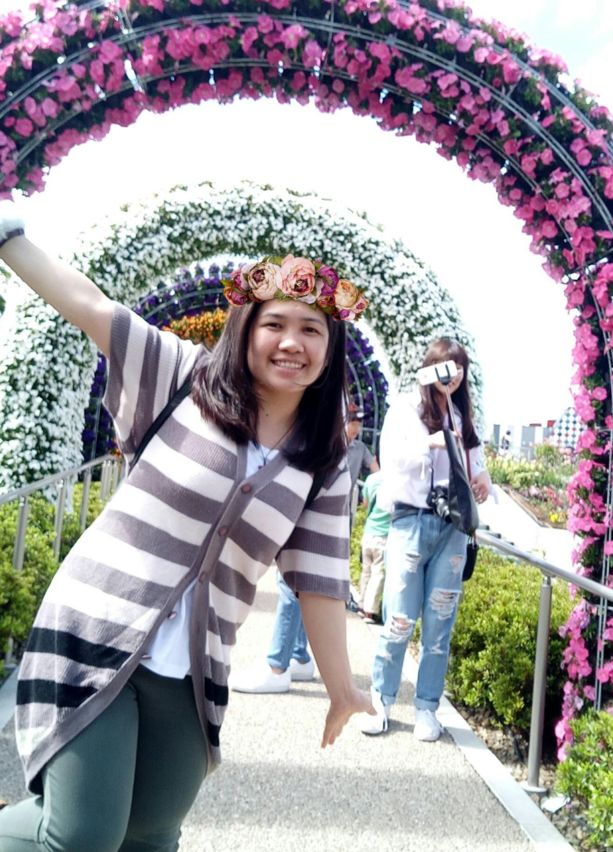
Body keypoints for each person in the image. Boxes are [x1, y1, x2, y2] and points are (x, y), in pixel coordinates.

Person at [0, 207, 373, 852]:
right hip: (95, 628)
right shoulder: (182, 378)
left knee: (149, 836)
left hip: (193, 668)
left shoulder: (324, 460)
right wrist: (9, 240)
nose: (292, 342)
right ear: (246, 330)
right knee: (84, 836)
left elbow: (319, 581)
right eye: (275, 324)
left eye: (311, 329)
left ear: (330, 348)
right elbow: (91, 306)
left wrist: (341, 689)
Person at [359, 337, 491, 742]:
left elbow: (476, 461)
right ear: (430, 368)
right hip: (411, 520)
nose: (453, 375)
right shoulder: (406, 408)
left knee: (439, 626)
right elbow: (390, 460)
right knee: (398, 619)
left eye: (460, 367)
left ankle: (427, 707)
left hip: (452, 528)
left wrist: (482, 478)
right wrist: (428, 442)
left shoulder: (462, 416)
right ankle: (380, 700)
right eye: (446, 365)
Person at [228, 406, 379, 694]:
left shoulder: (350, 445)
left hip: (324, 514)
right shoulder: (330, 436)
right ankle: (299, 655)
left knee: (293, 584)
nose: (356, 426)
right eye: (353, 421)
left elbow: (375, 472)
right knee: (303, 584)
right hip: (316, 510)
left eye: (359, 422)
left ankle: (277, 665)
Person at [357, 469, 391, 624]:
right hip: (384, 535)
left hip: (368, 532)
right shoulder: (395, 479)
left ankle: (361, 605)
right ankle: (369, 612)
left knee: (366, 571)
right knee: (378, 574)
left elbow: (365, 504)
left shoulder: (371, 479)